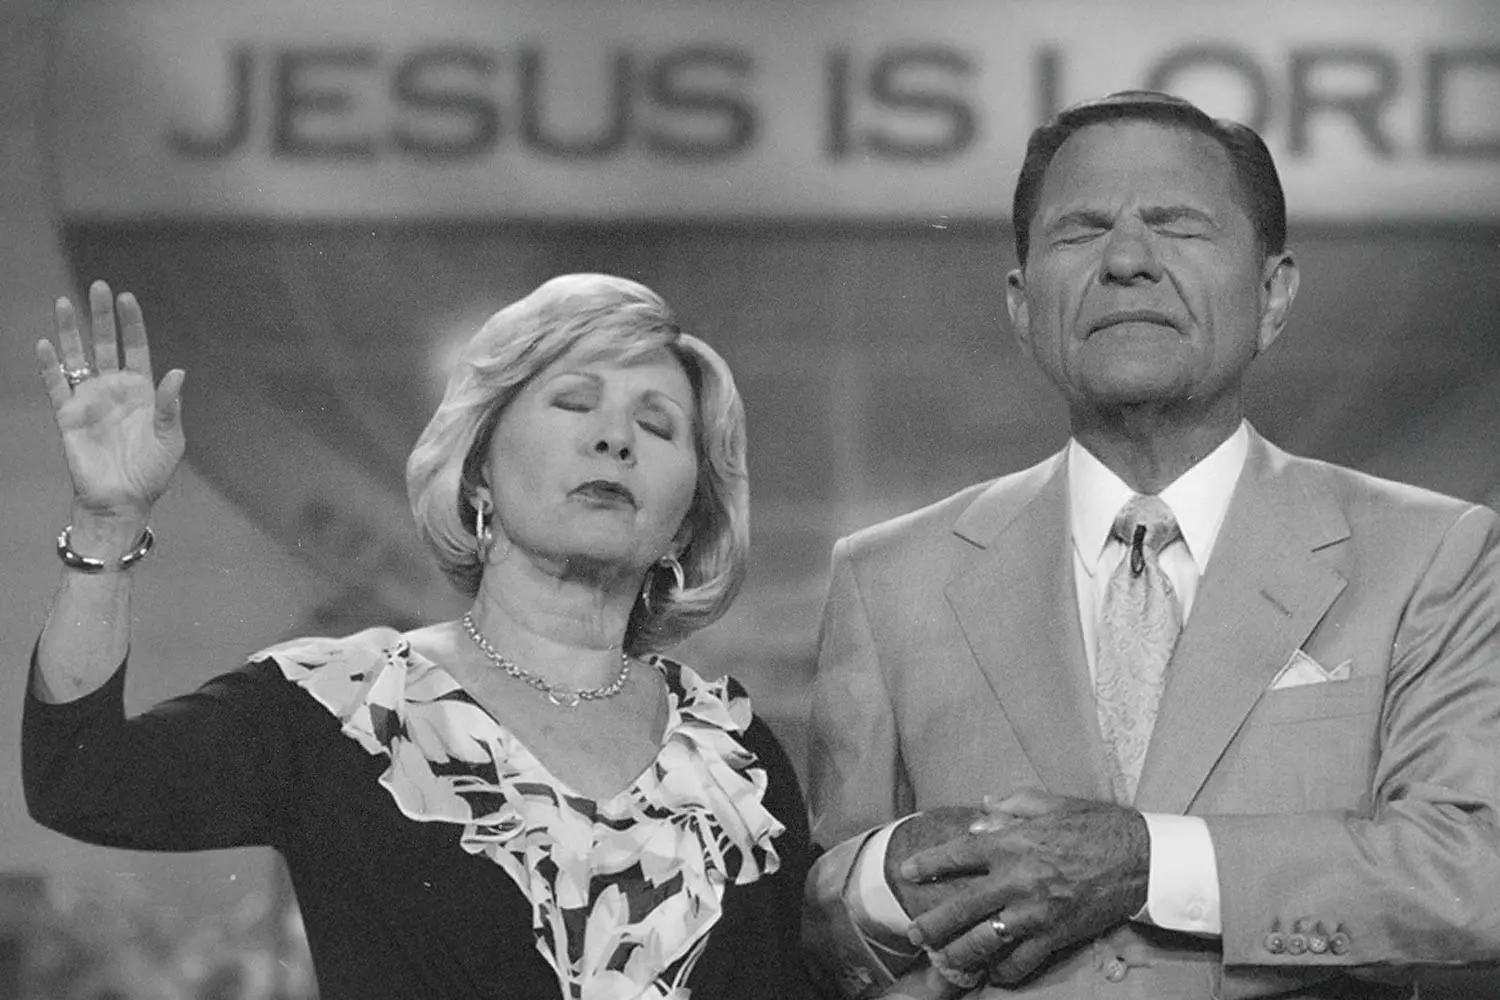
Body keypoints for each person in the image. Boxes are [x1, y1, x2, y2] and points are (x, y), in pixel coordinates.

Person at [801, 91, 1500, 999]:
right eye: (1081, 231)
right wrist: (884, 878)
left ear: (1273, 294)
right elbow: (818, 924)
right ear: (1021, 305)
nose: (1127, 260)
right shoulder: (886, 579)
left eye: (1178, 227)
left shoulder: (1432, 553)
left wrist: (1149, 862)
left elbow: (1476, 870)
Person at [24, 272, 814, 1000]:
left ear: (686, 520)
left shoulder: (732, 758)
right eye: (574, 403)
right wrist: (107, 522)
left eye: (657, 424)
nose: (616, 439)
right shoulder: (344, 705)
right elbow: (83, 780)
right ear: (478, 475)